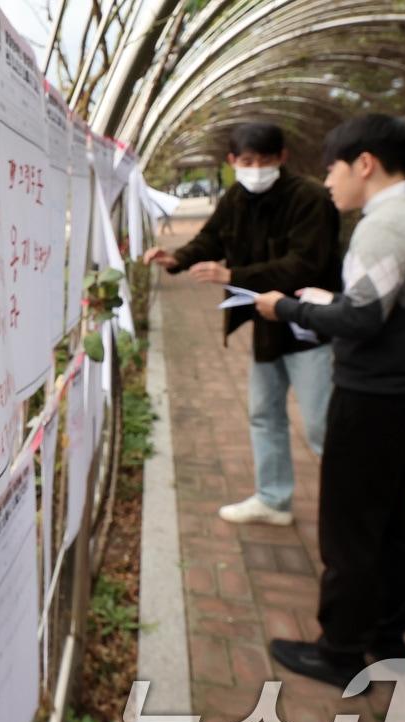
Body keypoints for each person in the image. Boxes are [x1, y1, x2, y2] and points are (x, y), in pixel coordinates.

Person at [255, 114, 405, 687]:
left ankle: (339, 652)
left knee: (348, 531)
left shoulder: (382, 226)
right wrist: (332, 299)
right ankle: (388, 637)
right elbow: (384, 304)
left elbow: (362, 319)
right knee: (390, 521)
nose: (329, 181)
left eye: (332, 168)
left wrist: (287, 308)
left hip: (372, 400)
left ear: (364, 163)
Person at [143, 122, 341, 526]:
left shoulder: (310, 199)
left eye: (265, 160)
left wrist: (234, 276)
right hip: (268, 326)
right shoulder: (237, 197)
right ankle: (273, 499)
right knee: (264, 413)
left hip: (311, 328)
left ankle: (353, 506)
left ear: (282, 158)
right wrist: (177, 259)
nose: (256, 169)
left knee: (324, 424)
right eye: (247, 161)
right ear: (232, 162)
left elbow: (305, 265)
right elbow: (213, 239)